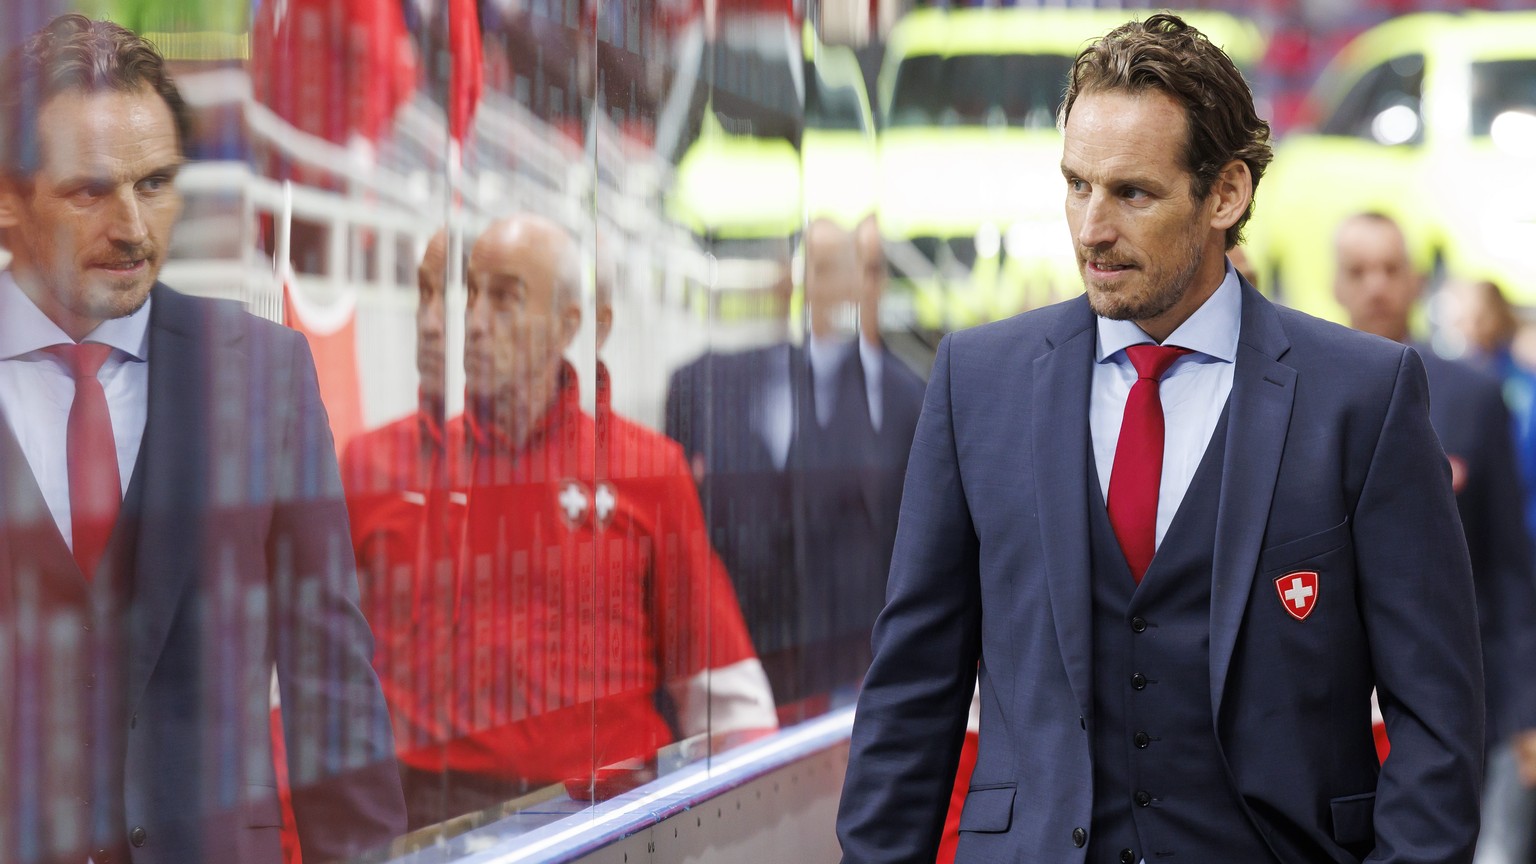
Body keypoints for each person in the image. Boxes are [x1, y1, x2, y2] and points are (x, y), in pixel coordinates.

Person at [837, 14, 1483, 864]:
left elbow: (1435, 715)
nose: (1091, 229)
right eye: (1076, 185)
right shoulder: (975, 382)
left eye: (1131, 193)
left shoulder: (1364, 394)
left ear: (1226, 195)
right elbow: (911, 693)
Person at [0, 15, 405, 864]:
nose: (135, 229)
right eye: (90, 191)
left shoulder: (263, 375)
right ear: (7, 196)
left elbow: (328, 677)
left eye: (155, 184)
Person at [346, 214, 775, 827]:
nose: (471, 321)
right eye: (467, 294)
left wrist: (753, 832)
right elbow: (313, 691)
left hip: (610, 823)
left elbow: (723, 689)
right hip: (433, 826)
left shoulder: (648, 470)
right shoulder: (376, 471)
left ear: (568, 326)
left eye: (505, 299)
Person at [1333, 212, 1536, 864]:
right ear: (1336, 283)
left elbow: (1507, 562)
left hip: (1455, 695)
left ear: (1417, 280)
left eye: (1392, 269)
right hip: (1329, 702)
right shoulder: (1293, 393)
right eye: (1359, 271)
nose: (1377, 287)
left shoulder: (1473, 395)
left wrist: (1525, 707)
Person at [664, 217, 925, 708]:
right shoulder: (731, 382)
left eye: (833, 269)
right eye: (809, 269)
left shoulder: (905, 398)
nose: (818, 286)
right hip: (753, 653)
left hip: (852, 661)